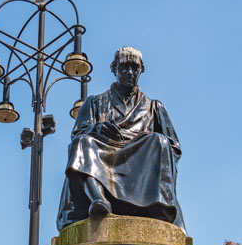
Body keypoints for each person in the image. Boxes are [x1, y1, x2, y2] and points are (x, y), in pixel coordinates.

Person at [56, 46, 186, 233]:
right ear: (114, 68)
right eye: (124, 67)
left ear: (141, 70)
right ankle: (99, 199)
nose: (130, 72)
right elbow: (77, 134)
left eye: (135, 67)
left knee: (159, 140)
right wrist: (97, 128)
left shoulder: (154, 107)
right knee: (82, 142)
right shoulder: (94, 102)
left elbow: (174, 147)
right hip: (105, 153)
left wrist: (144, 141)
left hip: (141, 159)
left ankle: (152, 204)